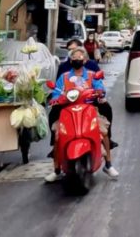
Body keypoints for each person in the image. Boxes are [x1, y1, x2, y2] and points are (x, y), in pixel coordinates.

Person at [45, 48, 120, 182]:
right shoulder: (65, 77)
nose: (77, 59)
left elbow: (100, 88)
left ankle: (108, 164)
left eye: (80, 57)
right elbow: (56, 92)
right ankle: (56, 169)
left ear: (85, 60)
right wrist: (56, 99)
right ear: (70, 60)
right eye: (74, 57)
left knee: (103, 132)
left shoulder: (92, 75)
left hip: (89, 110)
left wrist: (98, 93)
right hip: (68, 111)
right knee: (57, 136)